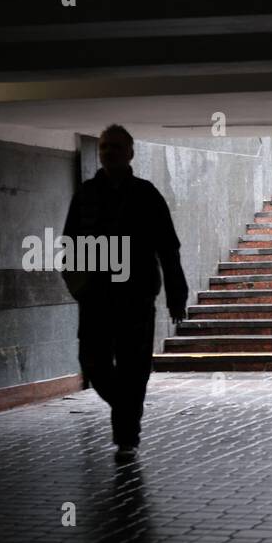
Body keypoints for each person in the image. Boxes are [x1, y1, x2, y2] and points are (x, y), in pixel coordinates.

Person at [61, 124, 188, 462]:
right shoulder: (85, 195)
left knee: (134, 367)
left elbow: (168, 248)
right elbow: (70, 245)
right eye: (104, 147)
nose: (109, 152)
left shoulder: (146, 195)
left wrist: (177, 293)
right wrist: (78, 288)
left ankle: (127, 437)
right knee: (94, 363)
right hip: (96, 298)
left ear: (130, 153)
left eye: (116, 147)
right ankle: (127, 407)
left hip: (136, 298)